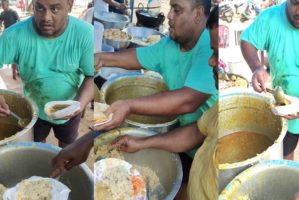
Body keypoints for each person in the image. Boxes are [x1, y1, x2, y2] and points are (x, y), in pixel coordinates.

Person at [51, 5, 219, 200]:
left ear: (198, 14)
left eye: (177, 10)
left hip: (206, 149)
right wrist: (101, 58)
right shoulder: (171, 45)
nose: (169, 16)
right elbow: (136, 57)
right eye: (171, 7)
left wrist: (129, 105)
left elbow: (188, 101)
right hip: (184, 137)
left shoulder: (209, 46)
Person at [0, 0, 94, 147]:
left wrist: (79, 105)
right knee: (37, 145)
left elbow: (91, 76)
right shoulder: (13, 35)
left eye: (55, 9)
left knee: (67, 147)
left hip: (70, 108)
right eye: (39, 8)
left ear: (69, 5)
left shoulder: (85, 34)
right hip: (33, 110)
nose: (46, 17)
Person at [240, 0, 299, 160]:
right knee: (285, 151)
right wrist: (257, 68)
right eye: (296, 3)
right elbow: (247, 41)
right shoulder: (270, 18)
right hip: (286, 112)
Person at [0, 0, 20, 80]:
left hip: (15, 37)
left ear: (7, 4)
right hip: (7, 37)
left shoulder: (13, 12)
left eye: (3, 4)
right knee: (10, 53)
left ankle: (16, 71)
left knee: (15, 54)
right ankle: (15, 70)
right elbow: (0, 22)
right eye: (1, 5)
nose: (2, 6)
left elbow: (19, 22)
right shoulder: (2, 13)